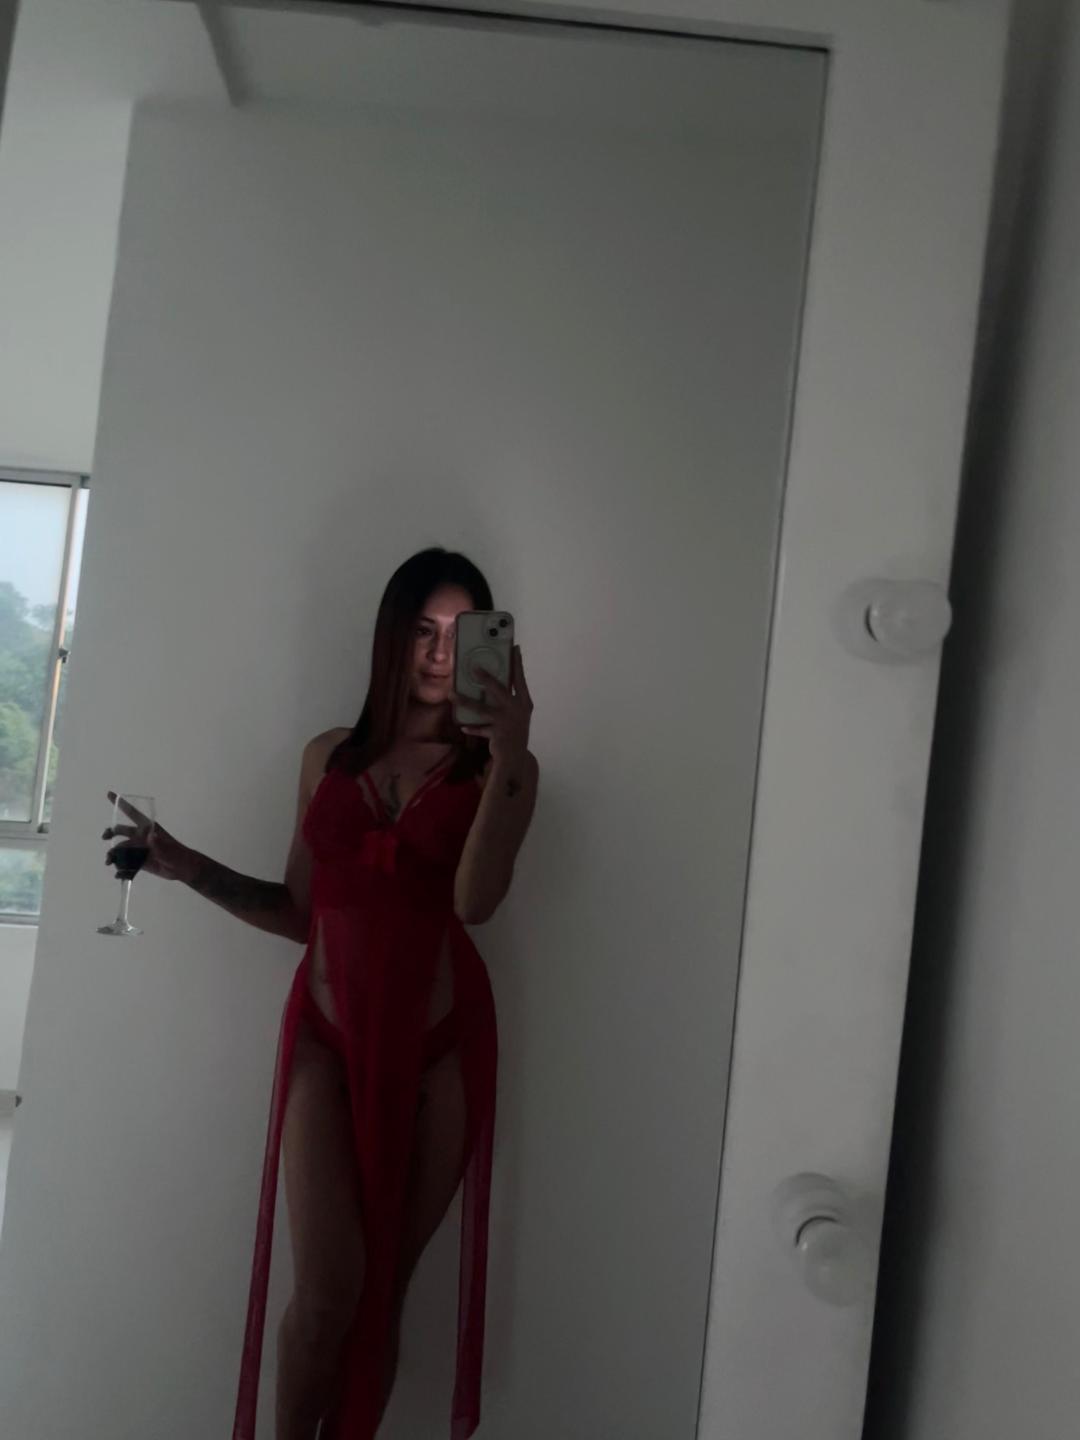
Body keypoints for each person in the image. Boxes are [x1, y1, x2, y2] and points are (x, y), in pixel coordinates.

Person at [104, 549, 538, 1440]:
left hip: (441, 1049)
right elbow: (302, 913)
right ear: (391, 635)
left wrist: (508, 755)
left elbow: (473, 903)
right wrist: (188, 867)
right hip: (327, 1039)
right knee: (328, 1294)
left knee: (381, 1294)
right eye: (422, 630)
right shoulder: (326, 757)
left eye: (461, 635)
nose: (440, 653)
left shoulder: (508, 772)